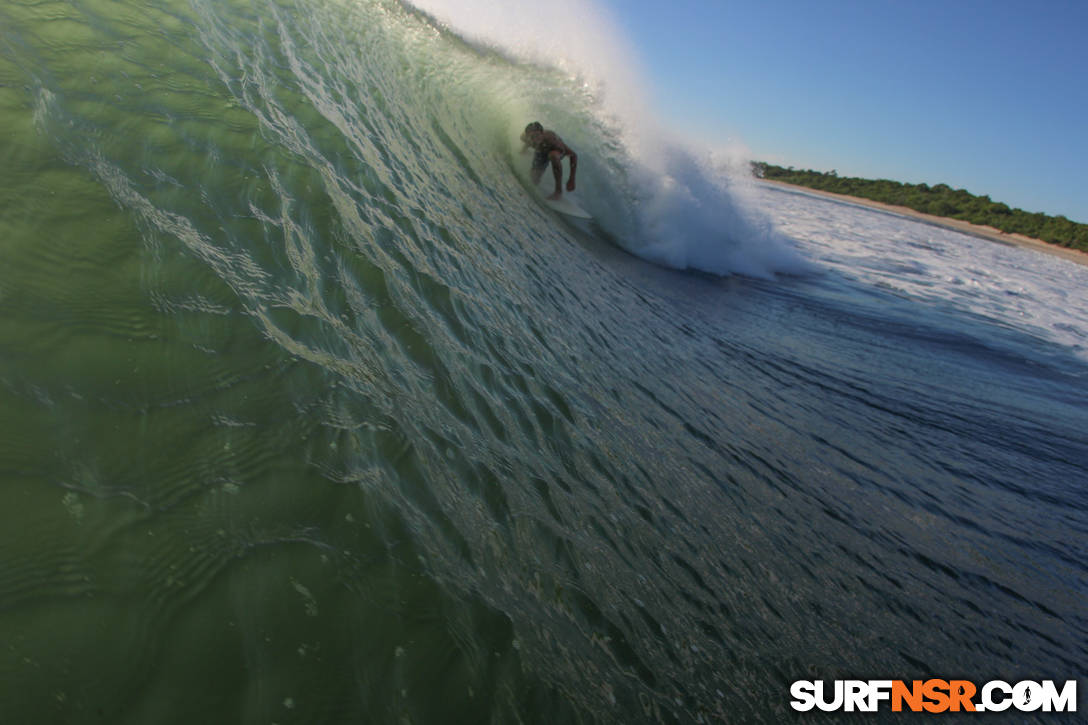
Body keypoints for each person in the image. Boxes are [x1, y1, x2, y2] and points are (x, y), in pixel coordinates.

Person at [520, 121, 577, 200]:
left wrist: (571, 179)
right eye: (532, 137)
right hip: (541, 152)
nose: (535, 139)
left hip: (555, 150)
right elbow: (529, 142)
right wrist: (523, 151)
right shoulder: (526, 137)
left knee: (553, 156)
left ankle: (558, 191)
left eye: (537, 135)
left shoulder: (552, 140)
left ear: (542, 133)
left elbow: (573, 155)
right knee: (533, 180)